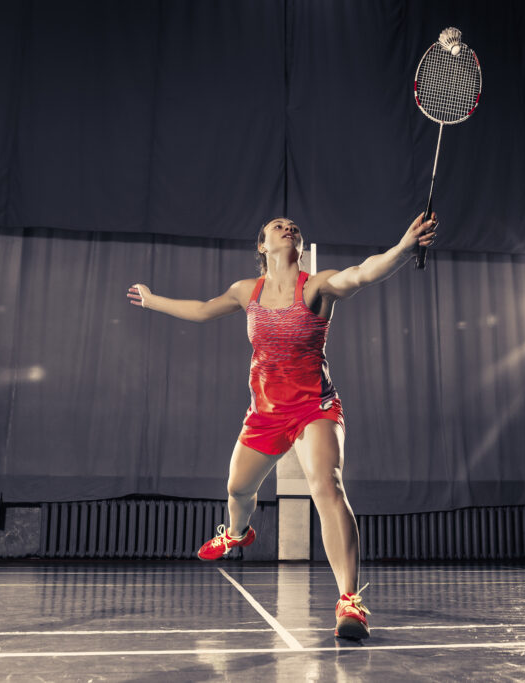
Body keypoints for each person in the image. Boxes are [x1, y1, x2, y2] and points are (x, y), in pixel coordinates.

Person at [126, 211, 437, 640]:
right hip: (265, 414)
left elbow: (363, 274)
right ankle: (237, 533)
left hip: (314, 409)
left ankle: (350, 602)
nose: (287, 228)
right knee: (237, 489)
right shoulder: (244, 291)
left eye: (293, 226)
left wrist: (403, 248)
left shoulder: (316, 286)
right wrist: (152, 299)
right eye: (277, 226)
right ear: (262, 245)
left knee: (327, 485)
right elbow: (200, 310)